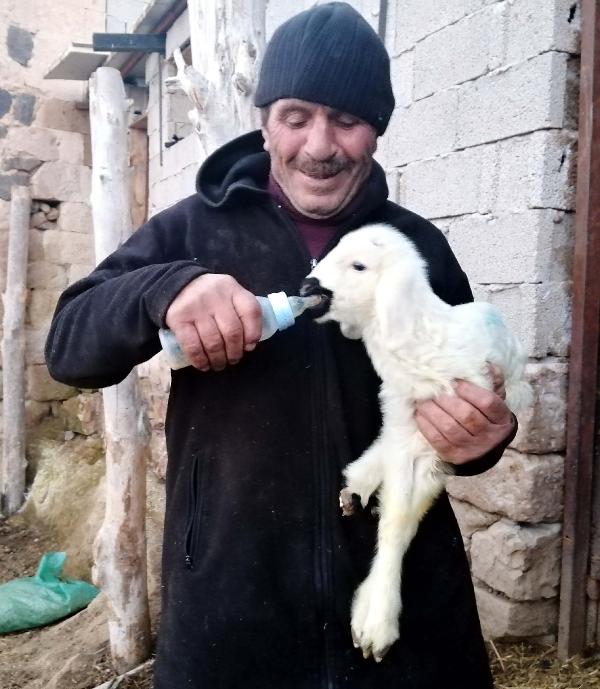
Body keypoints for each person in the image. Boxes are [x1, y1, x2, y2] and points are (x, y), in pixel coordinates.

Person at [46, 4, 517, 688]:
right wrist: (163, 288)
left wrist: (484, 438)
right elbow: (68, 347)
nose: (319, 145)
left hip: (404, 607)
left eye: (346, 120)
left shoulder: (418, 250)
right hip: (232, 611)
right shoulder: (191, 231)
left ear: (377, 130)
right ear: (265, 121)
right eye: (296, 117)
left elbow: (467, 401)